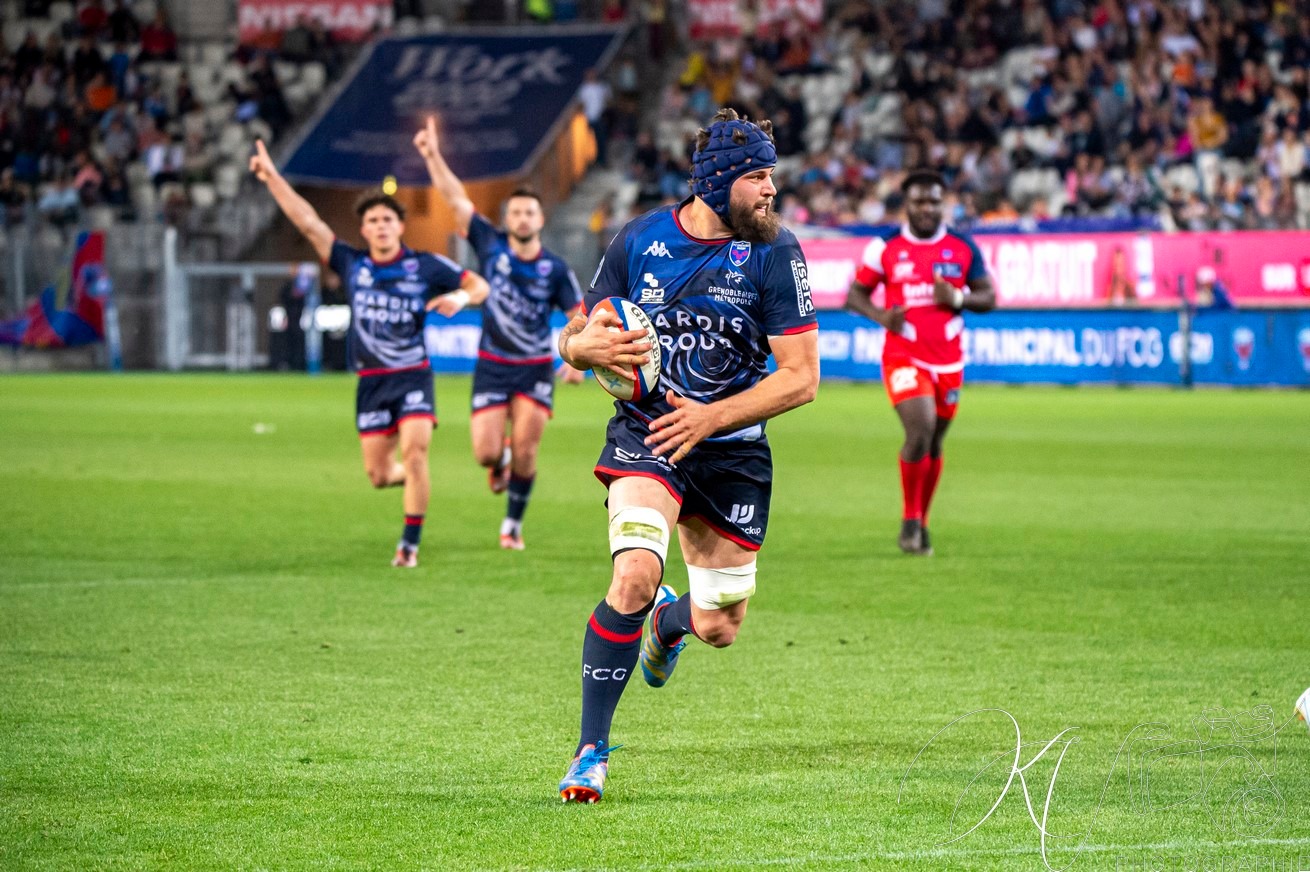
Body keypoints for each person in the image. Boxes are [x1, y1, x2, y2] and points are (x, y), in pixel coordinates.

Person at [553, 108, 820, 803]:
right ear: (720, 180)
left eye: (772, 175)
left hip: (730, 452)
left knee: (718, 626)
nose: (771, 189)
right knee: (634, 575)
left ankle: (669, 627)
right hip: (648, 435)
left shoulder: (776, 253)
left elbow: (801, 378)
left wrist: (713, 417)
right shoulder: (641, 239)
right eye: (759, 176)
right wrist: (577, 349)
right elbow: (581, 331)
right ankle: (590, 752)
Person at [248, 139, 489, 567]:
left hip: (413, 376)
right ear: (364, 229)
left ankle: (409, 545)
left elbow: (479, 286)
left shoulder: (425, 265)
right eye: (372, 220)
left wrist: (458, 298)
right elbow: (308, 222)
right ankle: (412, 480)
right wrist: (273, 179)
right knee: (380, 476)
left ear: (400, 226)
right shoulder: (351, 264)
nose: (380, 226)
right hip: (371, 383)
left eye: (387, 219)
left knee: (416, 454)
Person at [412, 117, 586, 551]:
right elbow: (454, 198)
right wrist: (433, 154)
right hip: (492, 366)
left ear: (540, 218)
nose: (522, 218)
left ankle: (512, 526)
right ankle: (499, 461)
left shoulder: (556, 268)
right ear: (507, 218)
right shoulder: (489, 245)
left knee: (527, 451)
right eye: (515, 212)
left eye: (529, 211)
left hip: (533, 370)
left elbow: (577, 314)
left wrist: (579, 359)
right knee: (486, 453)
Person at [845, 170, 996, 556]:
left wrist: (958, 298)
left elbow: (989, 297)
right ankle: (910, 522)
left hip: (949, 360)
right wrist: (884, 317)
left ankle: (923, 521)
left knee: (935, 442)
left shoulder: (962, 247)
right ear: (906, 205)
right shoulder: (885, 247)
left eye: (933, 201)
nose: (926, 208)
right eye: (918, 201)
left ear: (943, 204)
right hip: (903, 354)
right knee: (920, 429)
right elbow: (855, 296)